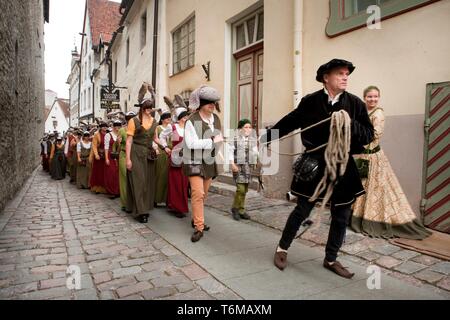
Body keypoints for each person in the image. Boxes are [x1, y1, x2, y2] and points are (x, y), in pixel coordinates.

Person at [260, 58, 374, 279]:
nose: (345, 77)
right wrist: (268, 137)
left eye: (346, 74)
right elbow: (291, 121)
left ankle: (331, 258)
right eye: (340, 73)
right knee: (302, 210)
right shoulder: (310, 102)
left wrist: (349, 122)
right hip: (314, 163)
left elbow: (369, 134)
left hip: (343, 165)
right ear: (326, 77)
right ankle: (282, 248)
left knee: (341, 215)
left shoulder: (355, 104)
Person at [351, 86, 431, 239]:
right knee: (363, 187)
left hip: (374, 157)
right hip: (364, 157)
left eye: (375, 97)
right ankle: (359, 218)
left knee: (378, 189)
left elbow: (375, 135)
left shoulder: (378, 113)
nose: (372, 99)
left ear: (379, 98)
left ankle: (377, 221)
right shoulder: (364, 112)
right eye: (369, 97)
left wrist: (356, 136)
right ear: (364, 97)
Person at [183, 85, 223, 242]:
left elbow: (218, 142)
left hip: (208, 161)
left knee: (204, 194)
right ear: (201, 103)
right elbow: (191, 143)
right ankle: (199, 227)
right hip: (193, 160)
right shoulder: (191, 121)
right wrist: (211, 141)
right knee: (198, 193)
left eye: (213, 102)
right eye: (208, 102)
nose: (211, 105)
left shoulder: (216, 120)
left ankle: (196, 217)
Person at [126, 83, 160, 223]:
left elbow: (156, 138)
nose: (149, 111)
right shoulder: (134, 121)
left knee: (148, 183)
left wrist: (163, 147)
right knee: (139, 182)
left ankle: (145, 207)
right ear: (142, 108)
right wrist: (128, 159)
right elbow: (129, 141)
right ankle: (141, 211)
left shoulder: (154, 121)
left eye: (150, 108)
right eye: (146, 108)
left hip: (148, 154)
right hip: (136, 152)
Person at [160, 108, 190, 218]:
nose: (186, 118)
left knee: (184, 183)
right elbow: (162, 137)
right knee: (176, 182)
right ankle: (176, 206)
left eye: (187, 116)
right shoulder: (172, 127)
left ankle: (181, 205)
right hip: (176, 157)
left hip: (186, 158)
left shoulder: (189, 128)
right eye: (184, 116)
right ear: (180, 117)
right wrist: (165, 147)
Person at [229, 119, 259, 221]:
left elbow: (255, 151)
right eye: (246, 127)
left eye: (250, 127)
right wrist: (232, 164)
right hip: (238, 166)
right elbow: (230, 152)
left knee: (245, 189)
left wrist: (255, 158)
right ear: (240, 128)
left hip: (248, 167)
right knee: (240, 189)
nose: (248, 129)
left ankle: (241, 210)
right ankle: (235, 208)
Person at [119, 111, 136, 212]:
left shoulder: (137, 129)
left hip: (134, 155)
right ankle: (125, 203)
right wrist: (118, 142)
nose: (131, 120)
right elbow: (117, 146)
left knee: (134, 179)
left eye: (132, 118)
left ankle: (133, 202)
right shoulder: (122, 130)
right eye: (129, 118)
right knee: (125, 178)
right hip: (124, 155)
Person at [154, 112, 172, 206]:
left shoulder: (172, 127)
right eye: (166, 117)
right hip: (161, 152)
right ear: (162, 119)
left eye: (169, 117)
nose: (169, 119)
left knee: (168, 177)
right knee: (161, 175)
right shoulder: (158, 128)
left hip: (171, 152)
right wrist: (156, 148)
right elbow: (155, 139)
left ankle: (167, 199)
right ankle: (157, 198)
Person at [104, 120, 121, 198]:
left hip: (119, 155)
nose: (117, 128)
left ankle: (117, 191)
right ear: (113, 127)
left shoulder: (120, 134)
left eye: (119, 126)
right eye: (116, 126)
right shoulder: (108, 135)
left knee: (118, 173)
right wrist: (106, 158)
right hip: (111, 155)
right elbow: (106, 147)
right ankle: (111, 191)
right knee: (111, 173)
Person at [89, 122, 108, 194]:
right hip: (99, 156)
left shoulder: (108, 134)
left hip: (105, 155)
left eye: (106, 127)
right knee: (98, 172)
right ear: (100, 127)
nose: (105, 128)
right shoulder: (96, 135)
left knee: (105, 172)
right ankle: (97, 188)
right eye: (103, 127)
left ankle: (105, 187)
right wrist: (96, 155)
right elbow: (94, 145)